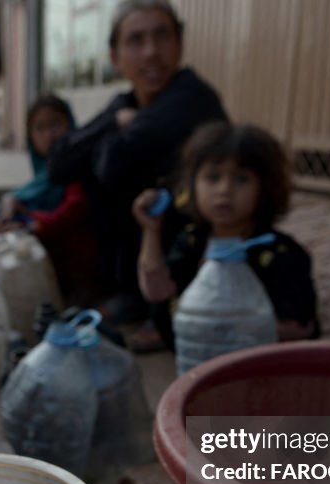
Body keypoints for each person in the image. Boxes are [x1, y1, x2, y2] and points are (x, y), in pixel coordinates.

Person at [48, 0, 227, 325]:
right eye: (136, 40)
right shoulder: (125, 104)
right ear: (115, 57)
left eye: (162, 36)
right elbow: (59, 163)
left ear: (180, 43)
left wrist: (106, 141)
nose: (151, 52)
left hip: (185, 259)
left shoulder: (192, 98)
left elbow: (112, 164)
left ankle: (148, 305)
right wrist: (114, 123)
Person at [134, 121, 320, 346]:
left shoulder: (282, 254)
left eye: (242, 179)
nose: (224, 190)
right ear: (192, 185)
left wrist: (226, 327)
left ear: (266, 189)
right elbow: (157, 292)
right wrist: (151, 230)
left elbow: (302, 327)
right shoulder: (192, 240)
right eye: (212, 178)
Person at [0, 93, 97, 306]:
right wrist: (11, 207)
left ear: (70, 125)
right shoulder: (43, 174)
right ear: (30, 137)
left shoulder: (78, 167)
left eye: (56, 124)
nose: (49, 135)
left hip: (81, 264)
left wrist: (30, 223)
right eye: (39, 128)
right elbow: (22, 198)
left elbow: (71, 212)